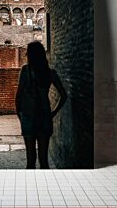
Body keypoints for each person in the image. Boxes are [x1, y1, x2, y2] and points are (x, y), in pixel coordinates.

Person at [15, 41, 67, 169]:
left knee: (30, 159)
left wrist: (20, 114)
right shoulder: (50, 73)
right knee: (44, 160)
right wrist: (53, 113)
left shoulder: (25, 71)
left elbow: (19, 95)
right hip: (44, 116)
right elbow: (64, 95)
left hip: (28, 115)